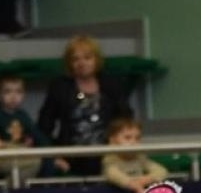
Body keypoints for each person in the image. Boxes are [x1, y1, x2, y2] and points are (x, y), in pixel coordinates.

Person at [37, 36, 132, 176]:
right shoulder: (60, 87)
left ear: (96, 60)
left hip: (108, 155)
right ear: (69, 63)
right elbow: (45, 124)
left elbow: (125, 119)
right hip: (71, 156)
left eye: (87, 58)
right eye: (76, 59)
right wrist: (53, 155)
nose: (82, 63)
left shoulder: (111, 84)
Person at [102, 116, 168, 193]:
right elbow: (113, 174)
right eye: (127, 138)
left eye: (137, 138)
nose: (133, 142)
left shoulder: (139, 157)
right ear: (112, 141)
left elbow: (161, 170)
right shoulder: (110, 159)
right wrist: (133, 184)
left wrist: (148, 179)